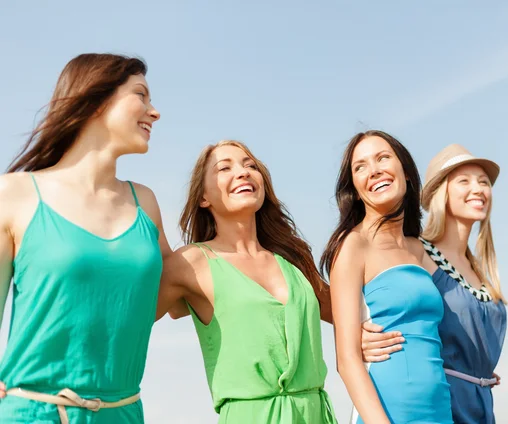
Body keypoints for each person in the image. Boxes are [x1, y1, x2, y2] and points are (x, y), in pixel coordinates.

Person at [0, 53, 170, 423]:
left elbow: (174, 290)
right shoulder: (13, 194)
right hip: (31, 412)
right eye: (141, 95)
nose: (154, 112)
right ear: (96, 101)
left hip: (123, 413)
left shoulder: (147, 204)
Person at [156, 140, 337, 423]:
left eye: (250, 166)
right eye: (224, 168)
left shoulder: (293, 257)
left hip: (314, 413)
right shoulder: (191, 262)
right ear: (203, 197)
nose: (243, 172)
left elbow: (347, 314)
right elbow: (129, 323)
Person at [361, 144, 508, 424]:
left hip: (481, 406)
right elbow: (372, 297)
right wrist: (359, 332)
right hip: (438, 402)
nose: (478, 189)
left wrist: (479, 368)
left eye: (484, 182)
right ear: (441, 193)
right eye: (464, 181)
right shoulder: (418, 252)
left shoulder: (481, 270)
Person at [321, 130, 452, 424]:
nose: (374, 170)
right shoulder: (353, 245)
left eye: (383, 158)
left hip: (440, 411)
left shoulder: (420, 249)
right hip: (386, 413)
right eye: (361, 167)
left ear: (405, 172)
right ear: (354, 189)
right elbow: (348, 361)